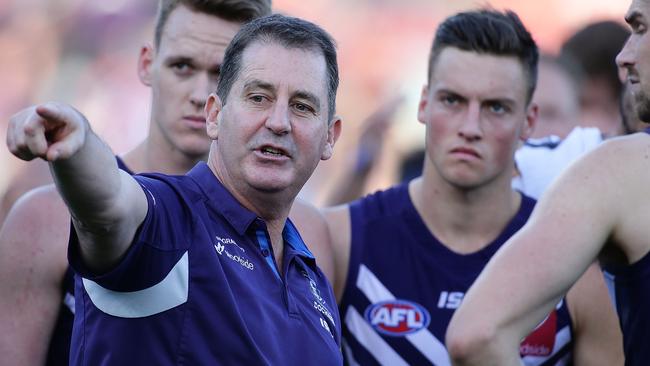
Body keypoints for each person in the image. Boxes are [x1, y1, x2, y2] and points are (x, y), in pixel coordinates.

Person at [291, 9, 623, 366]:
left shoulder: (574, 269)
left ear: (528, 122)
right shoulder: (341, 241)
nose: (470, 126)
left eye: (495, 107)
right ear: (423, 104)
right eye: (452, 100)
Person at [0, 1, 271, 364]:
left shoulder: (296, 236)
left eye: (221, 75)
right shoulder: (46, 220)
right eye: (182, 66)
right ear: (147, 63)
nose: (199, 94)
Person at [445, 1, 650, 364]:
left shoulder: (620, 170)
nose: (624, 56)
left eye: (640, 29)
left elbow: (477, 335)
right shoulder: (585, 164)